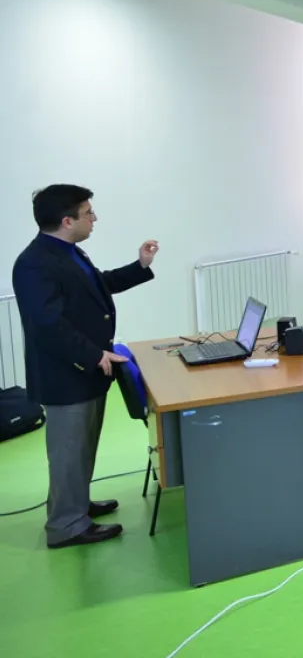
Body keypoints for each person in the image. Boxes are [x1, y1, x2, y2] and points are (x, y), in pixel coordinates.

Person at [11, 185, 158, 548]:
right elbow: (48, 324)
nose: (94, 219)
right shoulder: (34, 263)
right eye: (88, 213)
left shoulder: (67, 252)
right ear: (67, 221)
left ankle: (77, 505)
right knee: (68, 451)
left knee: (82, 447)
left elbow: (98, 286)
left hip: (85, 372)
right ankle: (65, 525)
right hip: (67, 375)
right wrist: (94, 354)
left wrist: (139, 266)